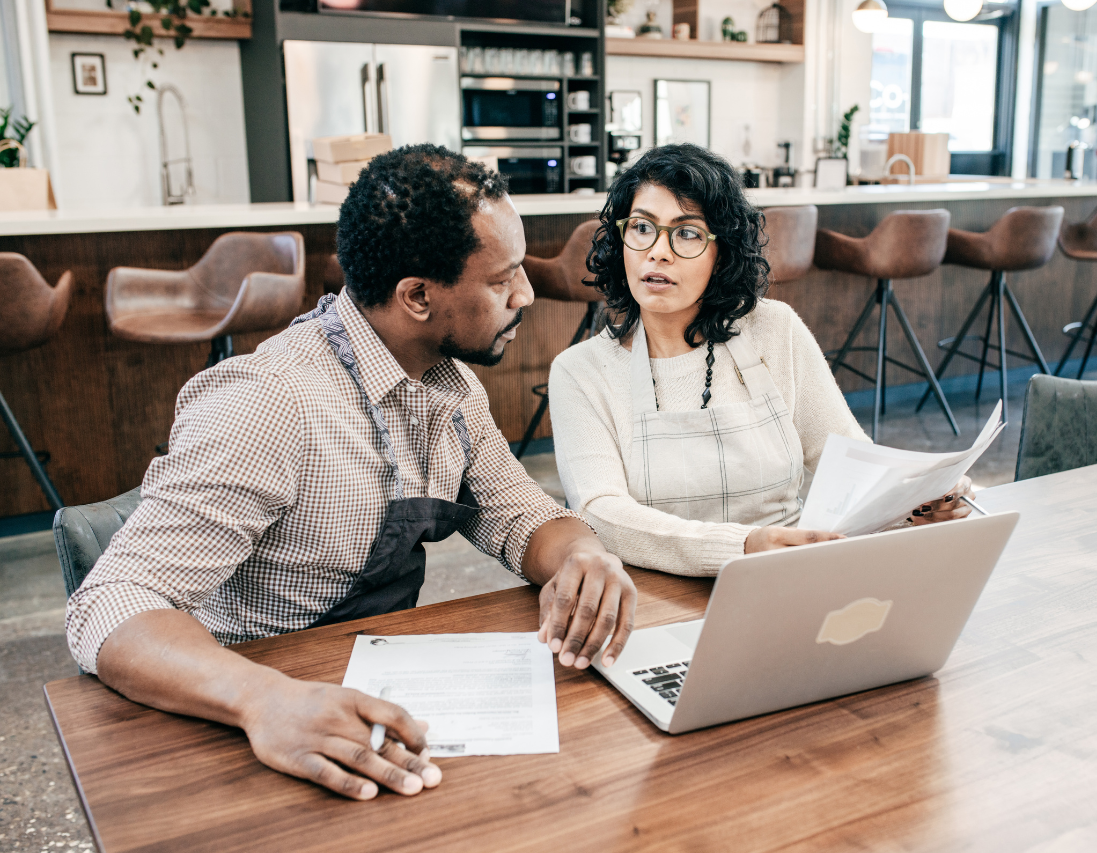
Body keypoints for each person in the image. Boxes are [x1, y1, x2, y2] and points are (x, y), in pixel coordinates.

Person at [65, 145, 635, 801]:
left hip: (376, 703)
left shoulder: (451, 388)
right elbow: (108, 603)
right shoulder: (269, 401)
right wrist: (260, 699)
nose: (527, 293)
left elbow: (518, 515)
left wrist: (582, 554)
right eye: (504, 277)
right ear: (417, 295)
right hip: (249, 719)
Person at [548, 144, 973, 576]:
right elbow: (602, 513)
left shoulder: (775, 328)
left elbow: (843, 455)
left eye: (688, 233)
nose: (658, 251)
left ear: (722, 253)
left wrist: (916, 497)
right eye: (641, 228)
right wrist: (743, 545)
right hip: (653, 590)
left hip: (789, 575)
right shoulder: (580, 372)